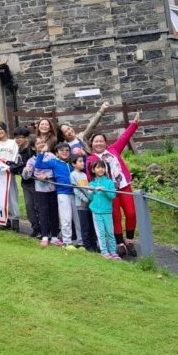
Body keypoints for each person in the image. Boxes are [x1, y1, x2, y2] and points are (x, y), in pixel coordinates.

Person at [86, 110, 140, 256]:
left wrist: (134, 124)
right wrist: (95, 190)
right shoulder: (91, 159)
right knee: (115, 215)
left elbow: (124, 137)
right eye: (96, 141)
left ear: (105, 142)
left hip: (123, 185)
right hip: (107, 190)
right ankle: (119, 243)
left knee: (131, 213)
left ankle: (129, 240)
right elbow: (90, 176)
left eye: (101, 141)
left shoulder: (114, 150)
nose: (99, 143)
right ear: (91, 143)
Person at [34, 142, 80, 249]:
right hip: (62, 193)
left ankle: (80, 241)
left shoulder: (72, 164)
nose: (64, 152)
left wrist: (81, 154)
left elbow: (82, 168)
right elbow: (38, 165)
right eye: (61, 150)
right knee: (66, 218)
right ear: (57, 153)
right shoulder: (54, 162)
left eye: (67, 150)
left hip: (75, 194)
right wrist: (42, 152)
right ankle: (67, 241)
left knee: (77, 218)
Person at [23, 139, 59, 247]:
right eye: (38, 143)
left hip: (53, 189)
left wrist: (48, 177)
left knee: (54, 213)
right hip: (40, 191)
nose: (42, 144)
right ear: (34, 148)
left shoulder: (51, 156)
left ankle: (54, 236)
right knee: (43, 212)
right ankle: (44, 236)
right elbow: (27, 176)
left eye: (43, 142)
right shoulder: (31, 160)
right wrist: (26, 171)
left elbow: (57, 170)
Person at [0, 122, 20, 231]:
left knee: (12, 197)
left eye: (0, 129)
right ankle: (3, 220)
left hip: (8, 173)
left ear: (5, 129)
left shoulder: (13, 143)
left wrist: (9, 166)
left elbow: (15, 157)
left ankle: (15, 220)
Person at [88, 158, 118, 259]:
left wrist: (104, 190)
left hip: (107, 211)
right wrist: (90, 192)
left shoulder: (109, 182)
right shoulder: (91, 184)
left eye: (103, 167)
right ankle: (104, 251)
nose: (101, 169)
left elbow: (112, 196)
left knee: (110, 232)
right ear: (93, 170)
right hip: (96, 212)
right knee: (100, 232)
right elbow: (90, 198)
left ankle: (113, 252)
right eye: (98, 167)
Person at [13, 126, 40, 237]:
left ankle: (43, 228)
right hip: (25, 183)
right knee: (29, 206)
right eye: (16, 138)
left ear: (26, 138)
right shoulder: (16, 151)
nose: (18, 140)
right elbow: (15, 166)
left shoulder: (32, 150)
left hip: (36, 182)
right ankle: (35, 227)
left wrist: (20, 168)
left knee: (38, 206)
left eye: (20, 137)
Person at [70, 154, 96, 250]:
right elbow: (76, 190)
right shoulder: (73, 175)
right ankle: (87, 245)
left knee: (91, 225)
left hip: (89, 203)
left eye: (83, 161)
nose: (83, 163)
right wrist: (85, 199)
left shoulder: (84, 174)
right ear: (73, 164)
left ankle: (94, 244)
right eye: (80, 161)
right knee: (85, 226)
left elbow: (87, 188)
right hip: (81, 204)